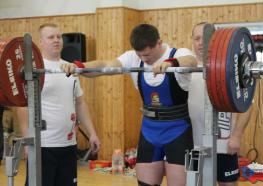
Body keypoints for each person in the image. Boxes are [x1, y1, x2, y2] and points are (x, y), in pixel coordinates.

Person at [61, 23, 197, 186]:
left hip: (178, 131)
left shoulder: (178, 53)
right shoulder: (132, 58)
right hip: (149, 131)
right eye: (141, 55)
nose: (144, 59)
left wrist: (170, 63)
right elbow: (105, 65)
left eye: (148, 54)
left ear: (159, 43)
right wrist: (79, 67)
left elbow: (191, 61)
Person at [17, 23, 100, 186]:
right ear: (40, 42)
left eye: (58, 36)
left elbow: (80, 103)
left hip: (68, 145)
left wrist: (92, 133)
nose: (56, 40)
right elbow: (22, 106)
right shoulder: (34, 69)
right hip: (43, 146)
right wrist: (28, 141)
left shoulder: (70, 68)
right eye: (51, 37)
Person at [189, 22, 252, 186]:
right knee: (195, 183)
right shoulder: (187, 69)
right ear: (192, 42)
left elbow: (247, 105)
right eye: (197, 38)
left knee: (228, 184)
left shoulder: (228, 67)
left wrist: (237, 136)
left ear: (215, 40)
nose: (201, 42)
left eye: (205, 38)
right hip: (194, 146)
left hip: (224, 143)